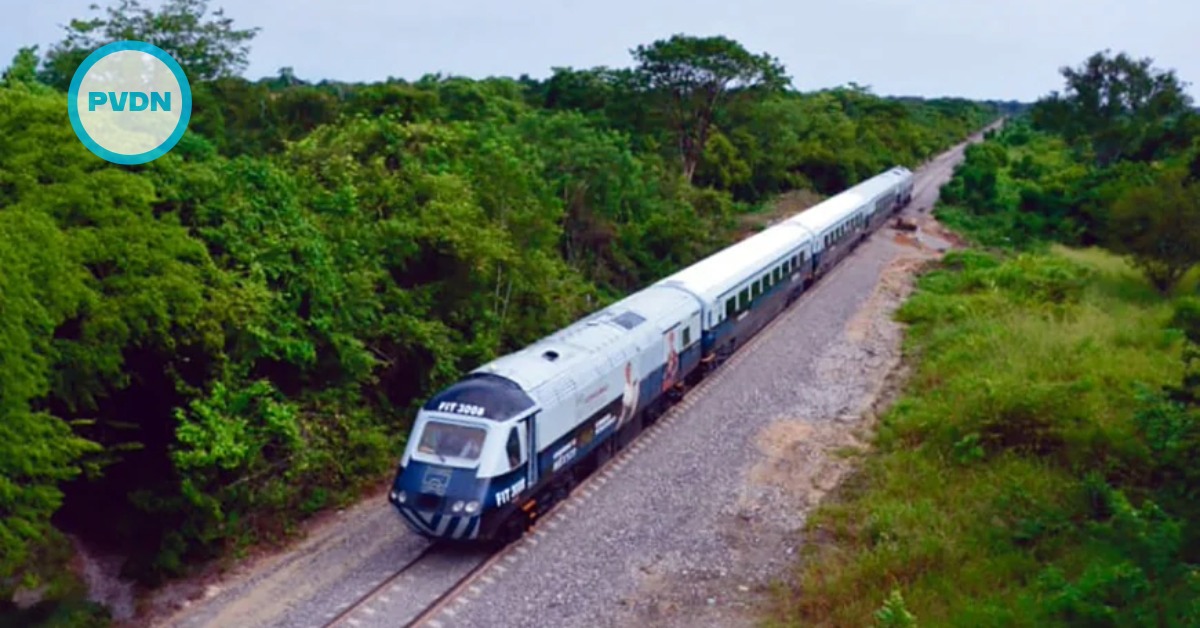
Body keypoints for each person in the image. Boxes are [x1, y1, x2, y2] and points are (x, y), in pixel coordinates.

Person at [618, 362, 639, 429]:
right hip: (628, 397)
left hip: (629, 396)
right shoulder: (628, 383)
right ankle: (619, 425)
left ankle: (620, 425)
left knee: (625, 413)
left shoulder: (629, 380)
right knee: (624, 412)